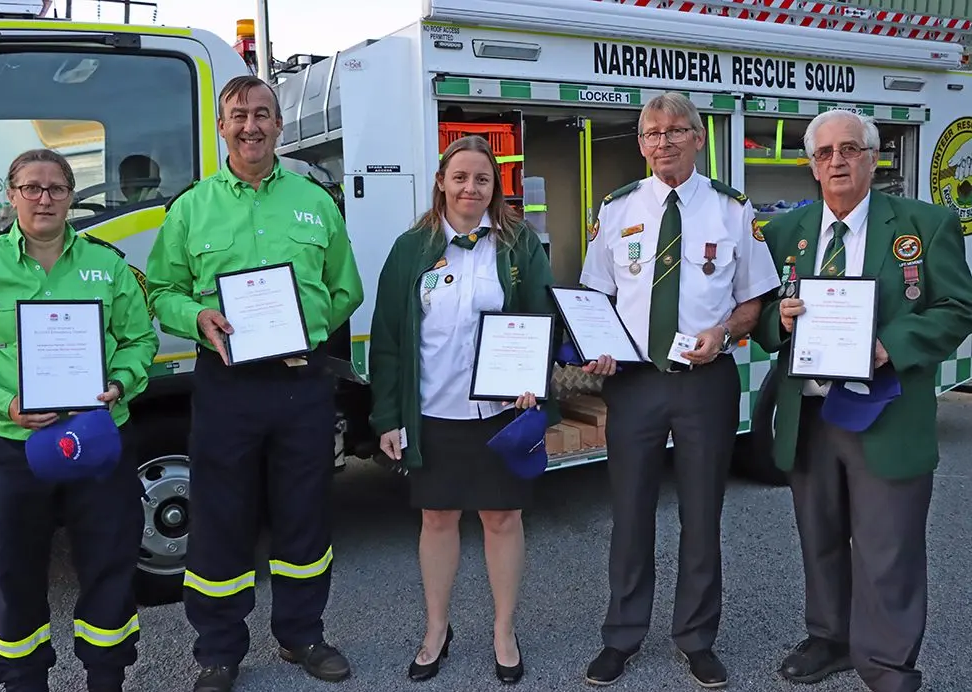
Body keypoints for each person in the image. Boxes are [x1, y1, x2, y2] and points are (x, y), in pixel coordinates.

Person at [145, 75, 364, 692]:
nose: (251, 126)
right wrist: (198, 317)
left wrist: (306, 330)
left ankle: (302, 634)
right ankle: (218, 649)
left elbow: (347, 287)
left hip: (301, 383)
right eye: (238, 115)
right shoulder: (192, 208)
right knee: (221, 516)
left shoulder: (313, 201)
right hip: (227, 385)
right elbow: (161, 292)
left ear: (278, 125)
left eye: (262, 114)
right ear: (222, 126)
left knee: (304, 513)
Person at [750, 109, 972, 692]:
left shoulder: (926, 225)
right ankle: (831, 637)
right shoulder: (783, 233)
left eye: (850, 149)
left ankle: (889, 663)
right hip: (813, 413)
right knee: (819, 534)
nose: (837, 161)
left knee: (887, 543)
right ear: (812, 166)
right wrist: (782, 321)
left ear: (874, 159)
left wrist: (888, 346)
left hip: (886, 409)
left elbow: (957, 307)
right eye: (824, 153)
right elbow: (762, 319)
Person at [0, 148, 159, 692]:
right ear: (10, 196)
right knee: (12, 576)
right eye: (31, 188)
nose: (44, 198)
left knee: (108, 566)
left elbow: (140, 340)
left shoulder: (108, 265)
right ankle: (22, 682)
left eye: (56, 188)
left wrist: (121, 382)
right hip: (11, 445)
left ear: (70, 198)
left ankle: (107, 678)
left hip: (96, 440)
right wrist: (3, 403)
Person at [577, 92, 781, 688]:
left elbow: (753, 299)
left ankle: (696, 638)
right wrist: (598, 344)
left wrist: (724, 332)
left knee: (702, 515)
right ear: (640, 144)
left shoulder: (731, 210)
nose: (662, 141)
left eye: (674, 131)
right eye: (650, 133)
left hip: (704, 383)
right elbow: (596, 297)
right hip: (635, 384)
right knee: (630, 513)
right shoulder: (616, 210)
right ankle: (621, 636)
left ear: (698, 138)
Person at [369, 134, 560, 686]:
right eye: (460, 177)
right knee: (437, 517)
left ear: (494, 186)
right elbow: (386, 339)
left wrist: (532, 384)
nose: (470, 187)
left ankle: (504, 629)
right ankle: (436, 628)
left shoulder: (519, 244)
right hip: (432, 411)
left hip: (499, 412)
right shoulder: (411, 248)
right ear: (441, 182)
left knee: (502, 518)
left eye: (482, 178)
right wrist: (387, 417)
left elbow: (539, 320)